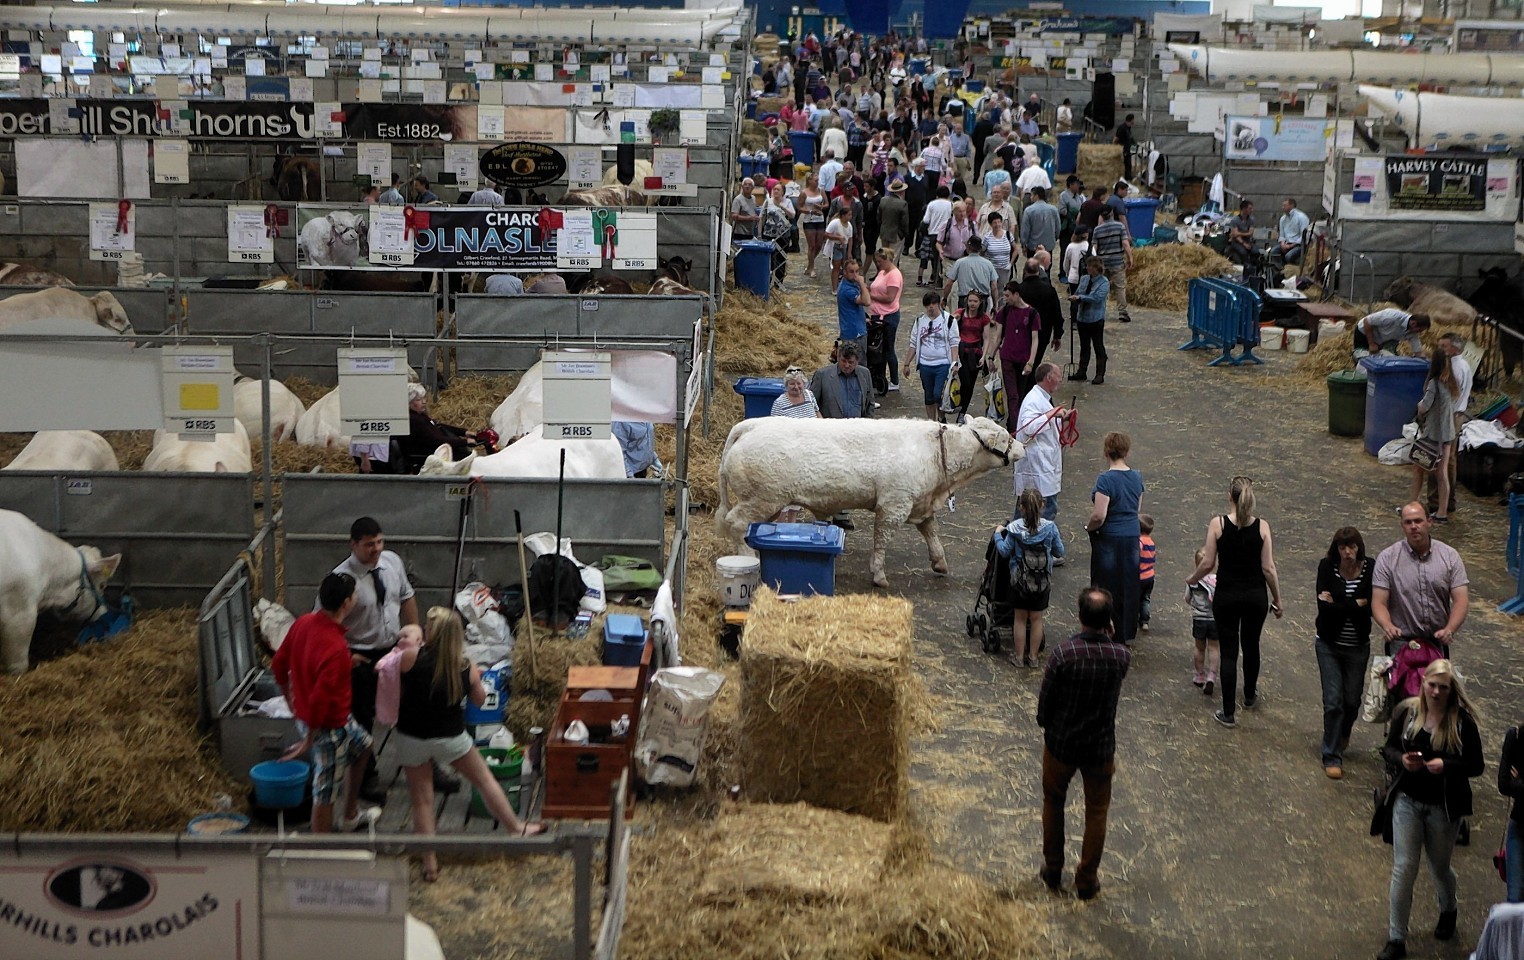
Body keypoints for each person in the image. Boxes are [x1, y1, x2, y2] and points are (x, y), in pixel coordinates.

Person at [397, 607, 544, 882]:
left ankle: (430, 864)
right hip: (452, 739)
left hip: (412, 738)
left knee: (422, 801)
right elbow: (479, 701)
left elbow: (399, 690)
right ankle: (516, 827)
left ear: (431, 634)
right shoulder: (465, 667)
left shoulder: (408, 658)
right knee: (485, 781)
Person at [1377, 659, 1484, 960]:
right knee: (1404, 868)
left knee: (1439, 865)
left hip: (1442, 807)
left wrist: (1447, 765)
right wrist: (1402, 761)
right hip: (1407, 802)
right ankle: (1396, 939)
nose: (1436, 692)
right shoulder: (1409, 712)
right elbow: (1389, 748)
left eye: (1443, 687)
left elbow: (1476, 765)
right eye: (1432, 685)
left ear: (1452, 690)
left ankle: (1448, 907)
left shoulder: (1462, 723)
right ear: (1423, 683)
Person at [1037, 586, 1132, 901]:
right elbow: (1116, 657)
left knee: (1053, 802)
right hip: (1100, 746)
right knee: (1097, 812)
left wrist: (1048, 725)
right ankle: (1087, 880)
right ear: (1109, 622)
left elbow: (1045, 704)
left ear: (1079, 617)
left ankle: (1053, 869)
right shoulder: (1120, 657)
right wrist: (1111, 636)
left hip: (1062, 743)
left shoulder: (1063, 654)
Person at [273, 572, 379, 833]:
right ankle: (319, 850)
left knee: (364, 747)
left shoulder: (304, 623)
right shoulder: (336, 648)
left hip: (330, 719)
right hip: (326, 727)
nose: (356, 598)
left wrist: (291, 701)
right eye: (354, 594)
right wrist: (309, 738)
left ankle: (350, 815)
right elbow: (321, 699)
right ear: (346, 604)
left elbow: (278, 664)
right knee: (325, 793)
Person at [330, 516, 422, 801]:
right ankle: (367, 775)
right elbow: (327, 622)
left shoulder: (392, 562)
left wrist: (415, 635)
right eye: (369, 545)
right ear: (353, 544)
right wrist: (345, 656)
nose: (377, 549)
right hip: (361, 655)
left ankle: (425, 765)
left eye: (380, 542)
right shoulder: (341, 579)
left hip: (396, 648)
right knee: (363, 717)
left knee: (413, 708)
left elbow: (406, 597)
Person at [1186, 477, 1284, 728]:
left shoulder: (1218, 525)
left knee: (1229, 651)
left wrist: (1192, 579)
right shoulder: (1262, 527)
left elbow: (1208, 563)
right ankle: (1249, 695)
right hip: (1254, 597)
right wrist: (1277, 599)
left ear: (1229, 496)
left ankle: (1228, 712)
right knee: (1252, 646)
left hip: (1227, 596)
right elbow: (1268, 568)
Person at [1315, 526, 1375, 780]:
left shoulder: (1370, 568)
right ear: (1336, 549)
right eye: (1342, 547)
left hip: (1357, 646)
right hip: (1328, 644)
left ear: (1359, 547)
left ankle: (1343, 734)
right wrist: (1354, 604)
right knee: (1333, 701)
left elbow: (1371, 604)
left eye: (1352, 547)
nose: (1348, 552)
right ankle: (1331, 754)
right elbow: (1323, 608)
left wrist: (1339, 604)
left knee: (1352, 700)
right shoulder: (1327, 567)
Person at [1372, 503, 1469, 649]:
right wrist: (1388, 625)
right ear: (1402, 525)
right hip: (1401, 641)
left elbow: (1461, 600)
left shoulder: (1450, 556)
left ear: (1429, 521)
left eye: (1418, 521)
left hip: (1437, 641)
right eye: (1408, 522)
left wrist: (1450, 629)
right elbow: (1379, 602)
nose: (1413, 526)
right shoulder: (1387, 558)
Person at [995, 488, 1066, 667]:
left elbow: (1004, 551)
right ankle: (1033, 658)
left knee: (1019, 618)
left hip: (1019, 581)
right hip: (1041, 581)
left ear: (1022, 508)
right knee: (1036, 619)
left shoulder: (1014, 529)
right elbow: (1060, 551)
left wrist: (997, 535)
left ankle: (1018, 657)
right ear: (1043, 505)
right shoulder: (1050, 528)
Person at [1085, 432, 1144, 643]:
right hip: (1131, 536)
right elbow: (1136, 508)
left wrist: (1088, 527)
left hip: (1110, 537)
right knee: (1128, 583)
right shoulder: (1137, 477)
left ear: (1105, 452)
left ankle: (1103, 627)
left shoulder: (1105, 480)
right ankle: (1126, 630)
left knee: (1105, 584)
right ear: (1126, 452)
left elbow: (1099, 515)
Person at [1012, 362, 1072, 521]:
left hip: (1043, 468)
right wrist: (1052, 414)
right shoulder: (1033, 400)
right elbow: (1029, 427)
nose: (1060, 380)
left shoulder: (1042, 398)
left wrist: (1062, 418)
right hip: (1037, 468)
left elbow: (1045, 424)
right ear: (1049, 377)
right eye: (1058, 376)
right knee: (1039, 515)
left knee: (1027, 513)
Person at [1410, 349, 1460, 523]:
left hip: (1432, 434)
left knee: (1418, 468)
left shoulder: (1434, 384)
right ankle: (1442, 511)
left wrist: (1419, 406)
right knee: (1442, 473)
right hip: (1447, 434)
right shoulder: (1451, 383)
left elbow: (1425, 406)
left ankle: (1411, 505)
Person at [1427, 333, 1473, 517]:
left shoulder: (1455, 368)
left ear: (1455, 348)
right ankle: (1447, 500)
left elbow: (1448, 397)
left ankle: (1437, 501)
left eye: (1444, 346)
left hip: (1449, 416)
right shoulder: (1464, 366)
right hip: (1456, 415)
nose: (1441, 350)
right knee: (1449, 460)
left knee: (1438, 460)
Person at [396, 383, 475, 472]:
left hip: (434, 450)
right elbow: (435, 440)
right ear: (408, 402)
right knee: (464, 457)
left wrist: (464, 432)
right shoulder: (413, 420)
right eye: (418, 400)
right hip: (428, 455)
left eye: (424, 398)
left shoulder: (420, 416)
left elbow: (438, 425)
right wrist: (464, 441)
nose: (424, 402)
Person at [904, 291, 957, 421]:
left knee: (937, 394)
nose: (930, 307)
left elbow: (954, 343)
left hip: (942, 363)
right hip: (925, 364)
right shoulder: (920, 321)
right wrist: (907, 363)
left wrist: (954, 363)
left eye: (933, 304)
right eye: (927, 305)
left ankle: (941, 417)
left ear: (939, 304)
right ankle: (931, 422)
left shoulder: (949, 320)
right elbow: (913, 342)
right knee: (928, 396)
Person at [987, 279, 1039, 409]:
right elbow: (998, 337)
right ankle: (1013, 426)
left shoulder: (1032, 313)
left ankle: (1015, 421)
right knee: (1012, 395)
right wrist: (991, 356)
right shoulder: (1004, 312)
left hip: (1023, 358)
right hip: (1007, 357)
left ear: (1016, 295)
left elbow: (1035, 339)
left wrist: (1031, 362)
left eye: (1007, 296)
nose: (1005, 299)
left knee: (1020, 394)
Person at [950, 290, 992, 425]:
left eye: (975, 301)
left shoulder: (984, 318)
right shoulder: (961, 313)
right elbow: (949, 326)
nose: (972, 304)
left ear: (980, 303)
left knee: (970, 385)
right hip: (961, 351)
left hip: (975, 353)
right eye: (970, 301)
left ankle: (962, 412)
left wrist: (984, 356)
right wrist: (953, 319)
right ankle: (958, 403)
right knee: (964, 381)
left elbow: (986, 338)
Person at [1067, 256, 1110, 384]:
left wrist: (1080, 298)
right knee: (1084, 346)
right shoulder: (1084, 279)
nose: (1087, 268)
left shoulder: (1104, 282)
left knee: (1098, 345)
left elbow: (1096, 298)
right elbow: (1079, 290)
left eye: (1090, 266)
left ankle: (1100, 374)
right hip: (1082, 318)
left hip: (1095, 319)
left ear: (1096, 268)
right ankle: (1082, 371)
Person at [1019, 259, 1065, 376]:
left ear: (1024, 271)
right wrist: (1057, 335)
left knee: (1021, 361)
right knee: (1036, 360)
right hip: (1043, 331)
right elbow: (1057, 314)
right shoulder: (1049, 290)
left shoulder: (1019, 290)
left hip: (1021, 331)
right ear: (1038, 272)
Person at [809, 340, 874, 421]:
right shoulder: (822, 375)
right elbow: (811, 405)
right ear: (838, 357)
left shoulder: (865, 374)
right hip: (831, 430)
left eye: (850, 362)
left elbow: (870, 404)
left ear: (857, 361)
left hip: (857, 429)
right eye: (843, 361)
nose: (846, 365)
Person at [1089, 206, 1133, 325]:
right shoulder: (1120, 226)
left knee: (1102, 287)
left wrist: (1094, 262)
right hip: (1117, 262)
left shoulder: (1097, 230)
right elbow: (1125, 243)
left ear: (1102, 216)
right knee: (1119, 287)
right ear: (1112, 213)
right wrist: (1130, 257)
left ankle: (1099, 312)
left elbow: (1094, 247)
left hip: (1102, 263)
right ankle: (1122, 312)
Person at [869, 249, 904, 393]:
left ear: (887, 259)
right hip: (877, 314)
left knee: (889, 349)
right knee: (878, 350)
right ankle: (880, 377)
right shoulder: (883, 272)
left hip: (888, 316)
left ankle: (894, 380)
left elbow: (890, 298)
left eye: (880, 261)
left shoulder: (894, 275)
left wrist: (871, 296)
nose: (878, 264)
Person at [1186, 548, 1221, 696]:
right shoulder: (1217, 580)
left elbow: (1187, 599)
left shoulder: (1193, 581)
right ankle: (1212, 675)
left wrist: (1196, 606)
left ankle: (1199, 675)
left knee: (1199, 648)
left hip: (1199, 619)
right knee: (1214, 648)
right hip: (1215, 619)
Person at [1499, 725, 1524, 903]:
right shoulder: (1515, 736)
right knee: (1515, 898)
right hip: (1520, 826)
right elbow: (1504, 785)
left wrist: (1520, 783)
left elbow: (1511, 785)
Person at [943, 234, 996, 310]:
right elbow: (994, 287)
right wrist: (994, 305)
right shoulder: (988, 264)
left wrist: (945, 299)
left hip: (965, 299)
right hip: (982, 299)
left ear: (968, 248)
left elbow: (949, 283)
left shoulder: (959, 263)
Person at [1354, 308, 1430, 359]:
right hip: (1364, 333)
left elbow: (1418, 352)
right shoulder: (1392, 317)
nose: (1419, 333)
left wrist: (1426, 360)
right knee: (1362, 358)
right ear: (1413, 323)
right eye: (1419, 330)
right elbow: (1367, 321)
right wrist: (1371, 344)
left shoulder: (1412, 332)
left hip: (1383, 338)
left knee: (1386, 358)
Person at [918, 185, 953, 287]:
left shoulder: (932, 204)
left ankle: (936, 277)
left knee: (935, 257)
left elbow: (926, 220)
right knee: (945, 257)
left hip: (933, 233)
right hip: (946, 233)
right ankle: (942, 277)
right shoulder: (951, 204)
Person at [836, 257, 870, 358]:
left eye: (857, 271)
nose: (855, 275)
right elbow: (867, 301)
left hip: (851, 330)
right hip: (854, 333)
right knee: (858, 364)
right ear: (845, 272)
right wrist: (862, 283)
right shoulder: (847, 290)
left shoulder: (848, 284)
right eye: (851, 272)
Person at [800, 174, 829, 280]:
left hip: (820, 219)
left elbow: (826, 204)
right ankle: (812, 267)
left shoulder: (821, 190)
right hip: (809, 220)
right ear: (810, 181)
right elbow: (800, 206)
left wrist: (820, 207)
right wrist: (810, 211)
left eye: (818, 180)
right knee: (811, 245)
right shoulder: (804, 192)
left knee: (819, 244)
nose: (817, 182)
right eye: (815, 180)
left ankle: (810, 263)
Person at [1020, 186, 1060, 261]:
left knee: (1033, 268)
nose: (1030, 197)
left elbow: (1025, 230)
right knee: (1046, 267)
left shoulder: (1029, 211)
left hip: (1033, 246)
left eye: (1032, 195)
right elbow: (1058, 228)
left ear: (1036, 196)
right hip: (1048, 245)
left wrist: (1023, 244)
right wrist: (1054, 238)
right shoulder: (1053, 209)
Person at [878, 179, 910, 267]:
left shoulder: (883, 200)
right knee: (893, 258)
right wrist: (903, 234)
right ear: (901, 191)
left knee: (884, 256)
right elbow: (905, 222)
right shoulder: (902, 203)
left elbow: (879, 217)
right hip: (896, 234)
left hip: (884, 232)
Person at [1271, 198, 1310, 269]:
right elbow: (1282, 235)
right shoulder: (1283, 219)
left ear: (1291, 205)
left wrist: (1290, 246)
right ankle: (1280, 269)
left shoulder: (1301, 217)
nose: (1283, 207)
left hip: (1298, 245)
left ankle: (1292, 270)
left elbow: (1304, 237)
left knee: (1289, 256)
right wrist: (1283, 244)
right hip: (1286, 243)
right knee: (1274, 252)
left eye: (1285, 205)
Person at [982, 213, 1015, 293]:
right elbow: (982, 252)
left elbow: (1016, 250)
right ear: (990, 224)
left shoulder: (1008, 235)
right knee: (992, 289)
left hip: (1005, 269)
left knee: (1003, 291)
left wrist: (1010, 263)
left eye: (999, 222)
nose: (997, 225)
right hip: (992, 269)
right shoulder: (987, 237)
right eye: (994, 222)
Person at [824, 204, 855, 288]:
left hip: (844, 246)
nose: (850, 217)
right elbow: (826, 234)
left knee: (845, 267)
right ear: (843, 215)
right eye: (849, 215)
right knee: (836, 267)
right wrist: (837, 237)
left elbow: (850, 239)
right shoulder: (835, 223)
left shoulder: (849, 225)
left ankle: (843, 286)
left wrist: (849, 252)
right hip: (836, 246)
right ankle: (834, 288)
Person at [1138, 515, 1156, 633]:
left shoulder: (1140, 541)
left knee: (1135, 599)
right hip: (1150, 575)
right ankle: (1145, 621)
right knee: (1145, 599)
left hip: (1139, 576)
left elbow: (1136, 554)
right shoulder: (1151, 541)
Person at [1225, 199, 1256, 266]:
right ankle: (1246, 266)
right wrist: (1244, 243)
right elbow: (1235, 235)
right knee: (1243, 252)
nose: (1252, 210)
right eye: (1250, 208)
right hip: (1237, 241)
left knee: (1256, 252)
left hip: (1248, 240)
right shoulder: (1235, 220)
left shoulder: (1251, 220)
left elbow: (1250, 233)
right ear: (1244, 209)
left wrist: (1239, 233)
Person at [1114, 115, 1136, 179]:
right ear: (1131, 120)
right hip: (1124, 149)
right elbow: (1116, 138)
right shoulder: (1122, 128)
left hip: (1128, 149)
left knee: (1129, 164)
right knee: (1127, 164)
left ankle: (1128, 177)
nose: (1134, 121)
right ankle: (1127, 177)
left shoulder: (1128, 128)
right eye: (1133, 120)